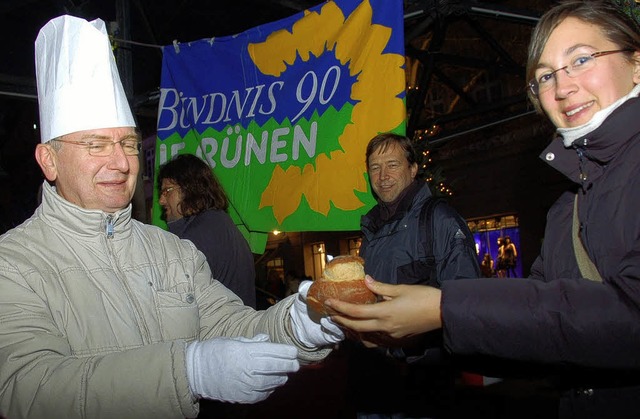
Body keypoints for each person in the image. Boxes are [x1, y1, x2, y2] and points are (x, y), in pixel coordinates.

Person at [0, 15, 343, 419]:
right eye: (95, 144)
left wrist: (298, 325)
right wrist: (188, 370)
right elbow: (27, 387)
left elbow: (230, 324)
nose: (121, 162)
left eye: (128, 142)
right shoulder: (14, 264)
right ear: (49, 160)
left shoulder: (171, 252)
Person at [327, 1, 640, 418]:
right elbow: (534, 329)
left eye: (581, 59)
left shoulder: (437, 216)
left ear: (636, 63)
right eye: (545, 76)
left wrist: (441, 312)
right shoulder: (568, 202)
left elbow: (625, 320)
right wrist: (407, 330)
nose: (561, 87)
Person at [345, 133, 481, 418]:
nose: (383, 176)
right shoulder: (371, 228)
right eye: (374, 167)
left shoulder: (440, 220)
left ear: (413, 169)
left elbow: (467, 305)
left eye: (392, 165)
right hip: (371, 384)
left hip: (422, 389)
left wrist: (406, 340)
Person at [158, 153, 257, 308]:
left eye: (167, 190)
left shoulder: (197, 235)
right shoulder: (218, 224)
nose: (161, 200)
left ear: (190, 188)